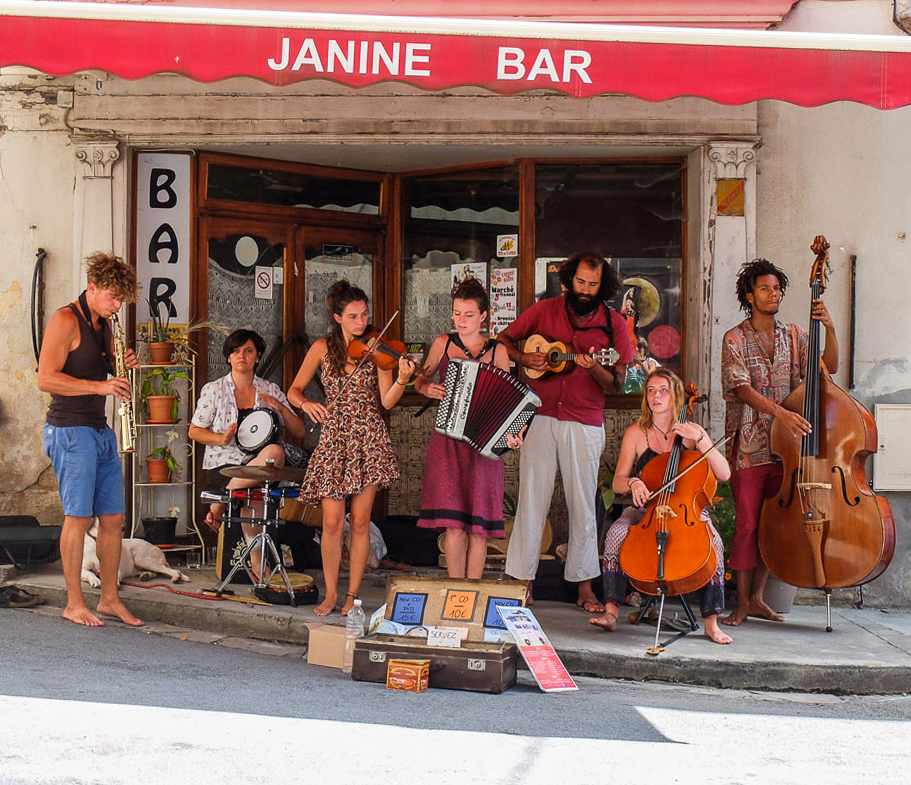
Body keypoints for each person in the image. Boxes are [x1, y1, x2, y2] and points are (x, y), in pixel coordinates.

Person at [499, 252, 634, 612]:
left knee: (582, 505)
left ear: (602, 286)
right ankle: (523, 585)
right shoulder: (544, 311)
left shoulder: (614, 325)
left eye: (593, 284)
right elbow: (505, 339)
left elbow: (618, 384)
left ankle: (585, 587)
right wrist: (523, 358)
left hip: (584, 421)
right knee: (531, 501)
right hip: (540, 416)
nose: (586, 290)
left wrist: (594, 369)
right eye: (581, 282)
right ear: (569, 280)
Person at [720, 258, 838, 627]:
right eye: (766, 289)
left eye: (778, 289)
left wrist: (830, 328)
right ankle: (740, 602)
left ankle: (758, 599)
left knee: (774, 524)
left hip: (786, 449)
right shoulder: (734, 339)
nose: (775, 295)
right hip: (750, 447)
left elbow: (828, 367)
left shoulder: (796, 335)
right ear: (749, 296)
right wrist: (782, 413)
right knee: (747, 525)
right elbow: (741, 388)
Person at [287, 280, 415, 616]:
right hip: (334, 438)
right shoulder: (320, 349)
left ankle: (352, 595)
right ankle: (331, 594)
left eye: (365, 314)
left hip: (367, 436)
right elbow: (294, 390)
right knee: (331, 522)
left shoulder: (377, 352)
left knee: (360, 522)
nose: (362, 322)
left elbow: (386, 401)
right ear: (337, 318)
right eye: (354, 316)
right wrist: (307, 405)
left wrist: (401, 378)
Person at [37, 252, 143, 628]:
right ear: (92, 287)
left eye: (121, 300)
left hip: (99, 430)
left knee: (113, 517)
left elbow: (104, 370)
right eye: (113, 297)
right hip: (69, 430)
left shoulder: (105, 322)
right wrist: (101, 385)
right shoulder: (65, 320)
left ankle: (110, 599)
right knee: (78, 518)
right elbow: (45, 378)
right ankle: (73, 602)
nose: (117, 306)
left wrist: (121, 363)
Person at [590, 368, 733, 644]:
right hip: (647, 511)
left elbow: (724, 473)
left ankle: (711, 623)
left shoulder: (693, 434)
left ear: (676, 395)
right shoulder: (636, 432)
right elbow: (618, 481)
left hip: (686, 512)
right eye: (651, 391)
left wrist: (701, 440)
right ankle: (611, 613)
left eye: (663, 390)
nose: (656, 396)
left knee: (714, 544)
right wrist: (633, 483)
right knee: (617, 533)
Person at [414, 278, 523, 580]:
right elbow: (420, 380)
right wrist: (426, 389)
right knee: (453, 524)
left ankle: (472, 591)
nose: (460, 321)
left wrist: (514, 433)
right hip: (448, 442)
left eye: (468, 315)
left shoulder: (498, 350)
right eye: (457, 313)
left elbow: (508, 400)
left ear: (484, 316)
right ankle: (454, 588)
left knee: (479, 527)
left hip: (483, 445)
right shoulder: (443, 344)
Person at [188, 329, 305, 578]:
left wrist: (281, 409)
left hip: (260, 466)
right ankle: (257, 566)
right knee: (256, 495)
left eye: (248, 351)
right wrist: (221, 438)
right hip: (225, 466)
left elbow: (300, 430)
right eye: (236, 351)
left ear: (257, 357)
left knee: (274, 452)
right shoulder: (215, 390)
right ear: (229, 357)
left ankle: (224, 498)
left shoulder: (270, 390)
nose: (242, 356)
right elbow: (194, 431)